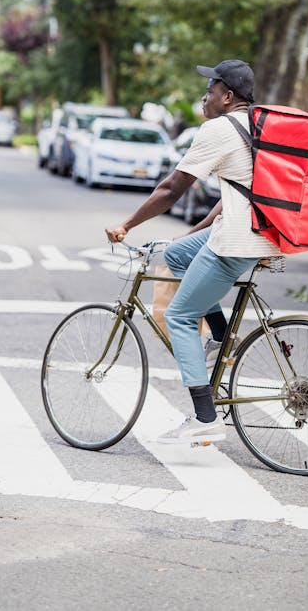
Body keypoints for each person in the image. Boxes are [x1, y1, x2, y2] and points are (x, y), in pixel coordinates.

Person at [106, 59, 282, 445]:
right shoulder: (258, 125)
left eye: (210, 88)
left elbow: (172, 188)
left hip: (236, 240)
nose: (205, 96)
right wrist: (195, 233)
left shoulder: (219, 129)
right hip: (256, 233)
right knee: (178, 255)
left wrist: (127, 225)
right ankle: (222, 339)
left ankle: (205, 419)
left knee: (181, 316)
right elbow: (240, 191)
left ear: (227, 96)